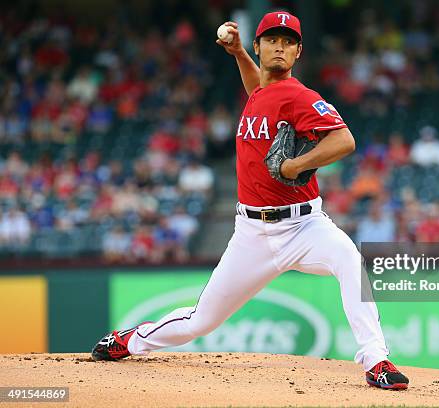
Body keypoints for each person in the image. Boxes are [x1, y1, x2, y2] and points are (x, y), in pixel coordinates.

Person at [91, 11, 409, 390]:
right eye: (272, 39)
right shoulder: (262, 89)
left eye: (289, 41)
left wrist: (295, 165)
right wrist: (238, 52)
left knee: (350, 261)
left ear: (298, 52)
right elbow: (258, 86)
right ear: (259, 46)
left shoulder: (300, 96)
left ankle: (376, 361)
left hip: (304, 225)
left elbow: (344, 140)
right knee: (201, 321)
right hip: (251, 234)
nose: (280, 46)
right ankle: (130, 340)